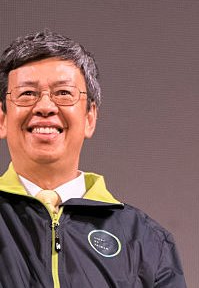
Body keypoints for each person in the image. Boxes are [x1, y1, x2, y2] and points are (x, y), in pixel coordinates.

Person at [0, 31, 186, 288]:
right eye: (27, 93)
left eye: (63, 93)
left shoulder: (146, 241)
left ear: (90, 118)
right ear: (2, 118)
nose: (45, 106)